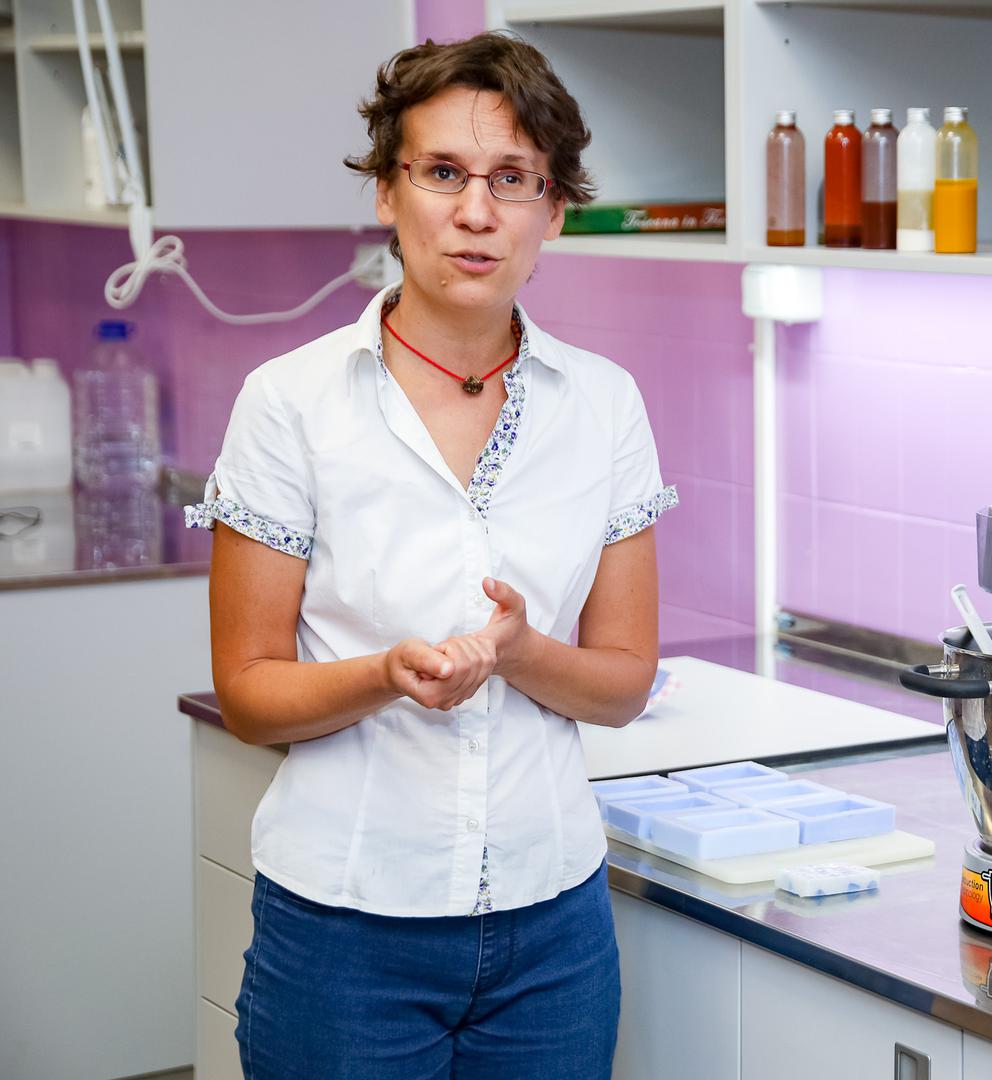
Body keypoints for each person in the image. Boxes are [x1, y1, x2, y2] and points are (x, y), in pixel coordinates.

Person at [184, 30, 675, 1079]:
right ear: (387, 191)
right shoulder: (291, 402)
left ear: (554, 208)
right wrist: (387, 674)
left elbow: (626, 683)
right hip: (346, 928)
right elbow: (250, 692)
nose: (476, 211)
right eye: (443, 172)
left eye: (513, 178)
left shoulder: (605, 406)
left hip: (555, 925)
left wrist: (521, 653)